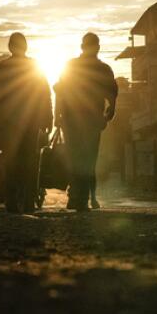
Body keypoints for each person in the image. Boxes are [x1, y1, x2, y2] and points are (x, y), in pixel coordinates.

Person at [0, 32, 52, 214]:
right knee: (30, 163)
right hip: (30, 122)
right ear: (25, 47)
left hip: (9, 123)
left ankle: (12, 202)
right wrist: (48, 117)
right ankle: (28, 202)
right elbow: (44, 93)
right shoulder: (34, 66)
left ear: (10, 47)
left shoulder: (4, 66)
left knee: (11, 163)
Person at [54, 33, 118, 211]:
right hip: (90, 120)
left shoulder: (70, 66)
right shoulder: (103, 69)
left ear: (82, 47)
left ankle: (76, 196)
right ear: (97, 47)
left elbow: (60, 91)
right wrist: (110, 111)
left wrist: (57, 116)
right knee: (88, 158)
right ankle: (80, 197)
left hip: (72, 120)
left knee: (75, 157)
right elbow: (112, 93)